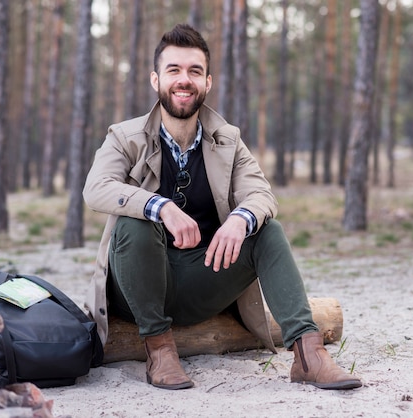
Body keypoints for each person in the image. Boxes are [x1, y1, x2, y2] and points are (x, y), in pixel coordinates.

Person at [83, 23, 361, 391]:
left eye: (194, 71)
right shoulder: (124, 136)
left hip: (200, 280)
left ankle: (308, 355)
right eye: (174, 70)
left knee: (267, 229)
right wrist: (158, 205)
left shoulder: (227, 139)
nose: (185, 80)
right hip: (132, 289)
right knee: (134, 223)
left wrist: (240, 220)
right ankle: (159, 350)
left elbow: (262, 194)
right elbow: (95, 189)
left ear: (207, 82)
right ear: (156, 80)